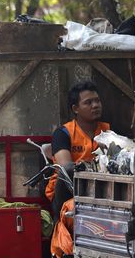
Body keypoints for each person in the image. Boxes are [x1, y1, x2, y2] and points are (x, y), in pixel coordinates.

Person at [45, 80, 110, 221]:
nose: (95, 105)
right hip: (68, 191)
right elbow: (66, 168)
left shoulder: (108, 131)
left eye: (97, 101)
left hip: (99, 188)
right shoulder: (63, 133)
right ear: (75, 108)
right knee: (68, 169)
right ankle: (61, 220)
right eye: (88, 103)